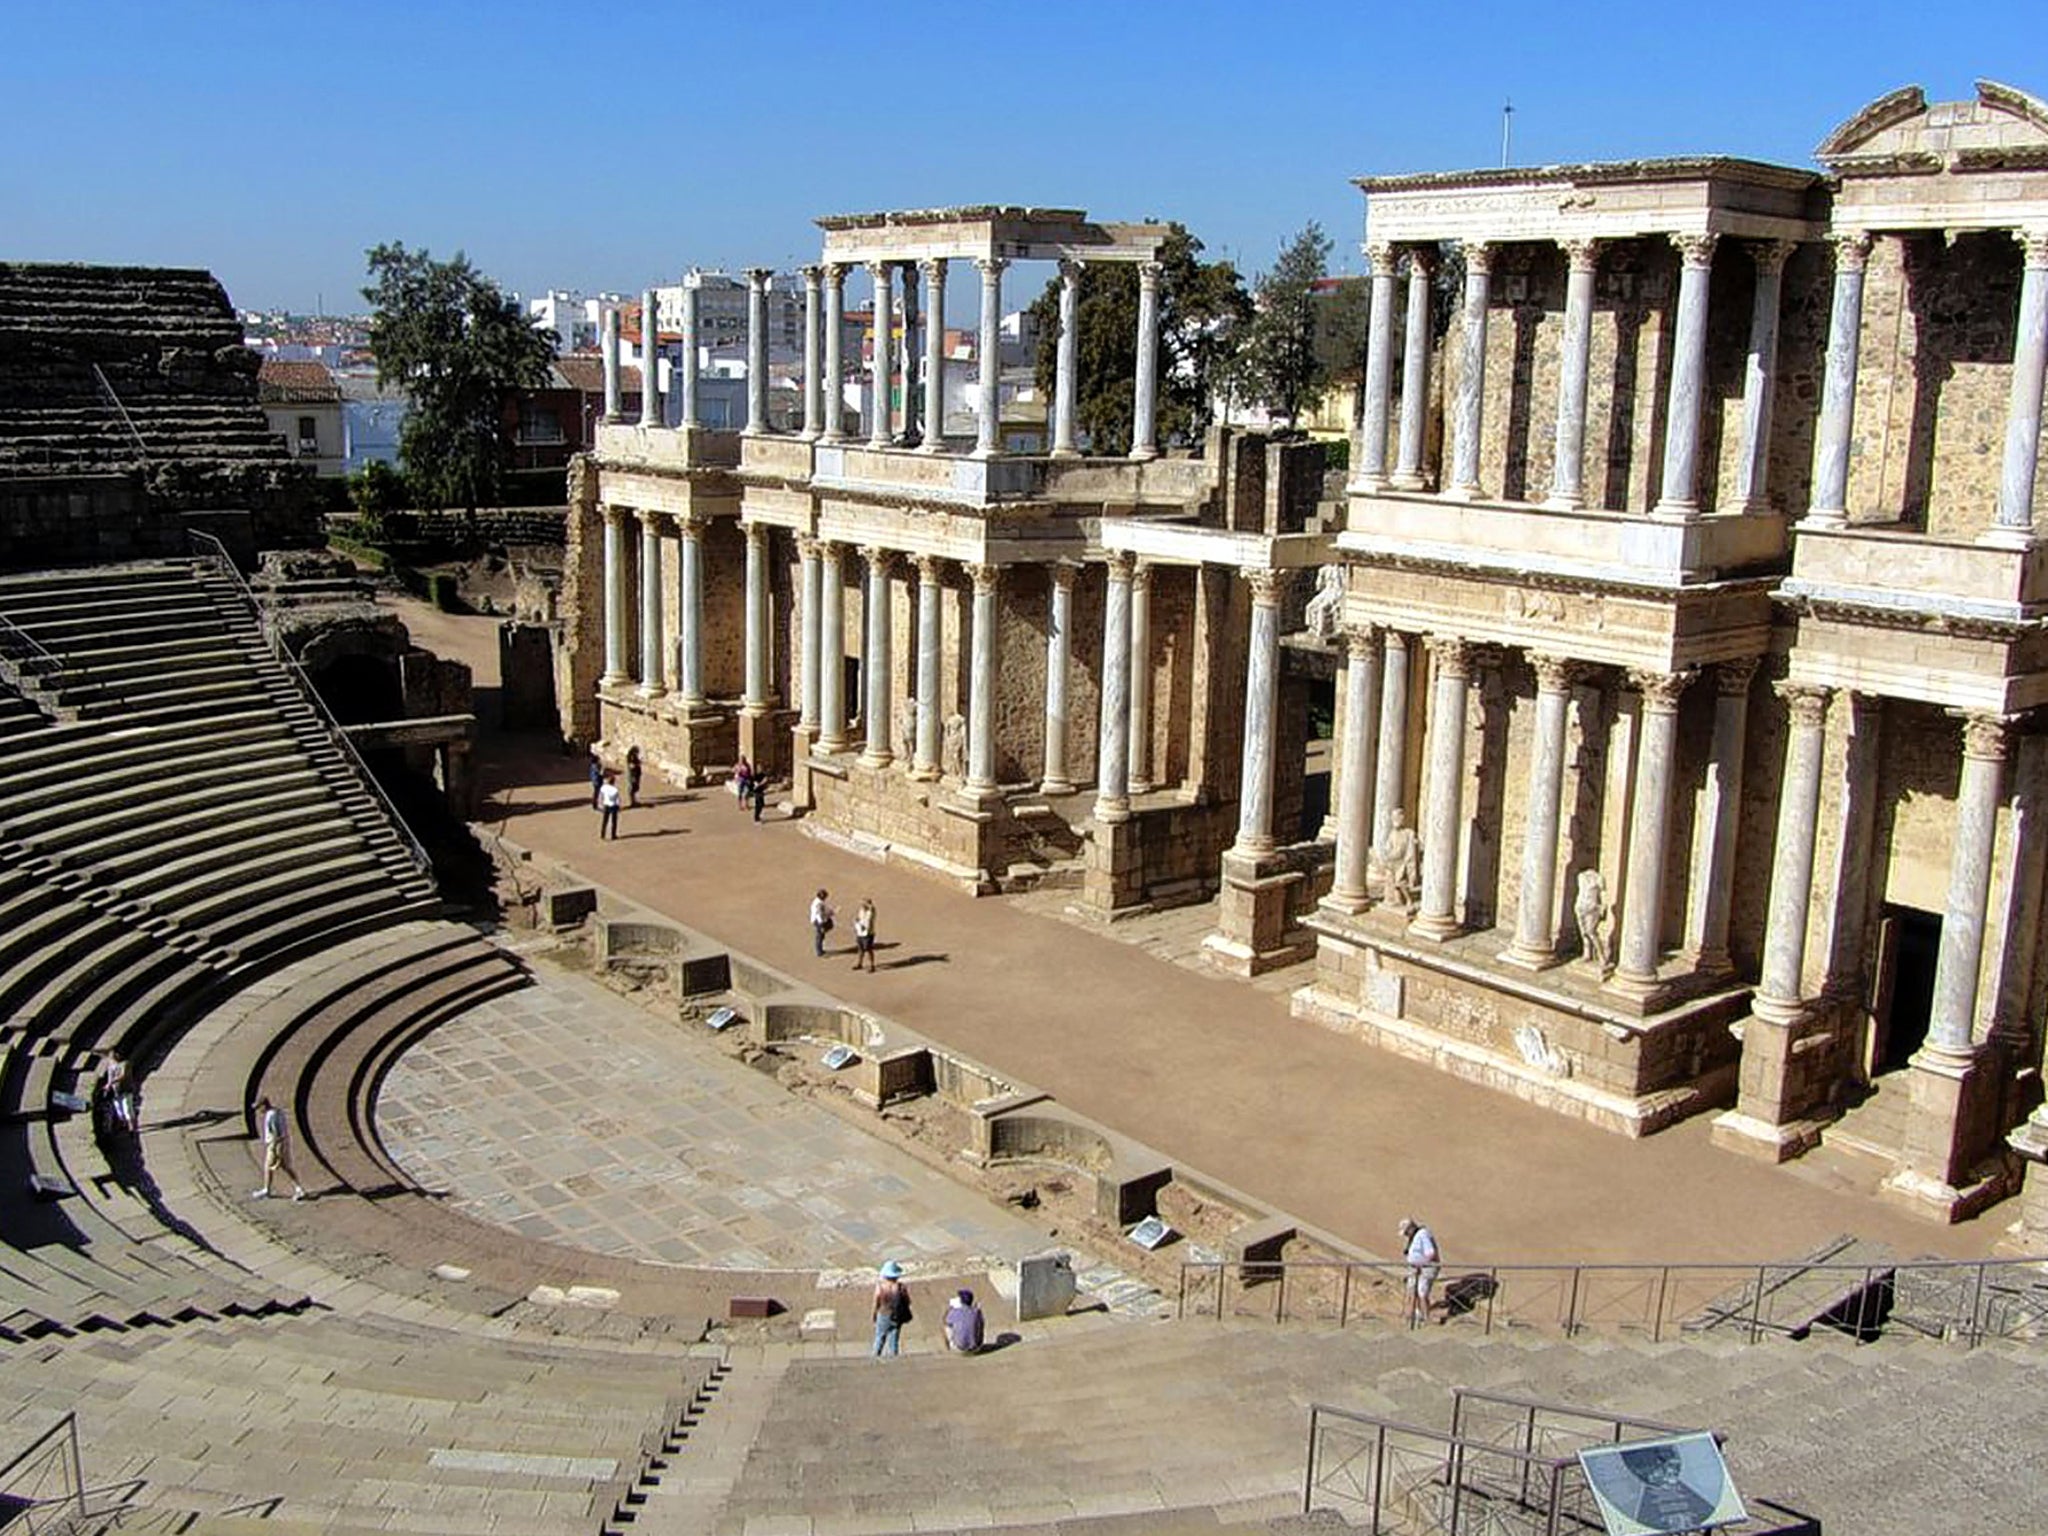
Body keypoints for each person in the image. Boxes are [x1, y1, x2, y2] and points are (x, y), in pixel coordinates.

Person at [251, 1095, 306, 1201]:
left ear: (264, 1106)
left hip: (276, 1144)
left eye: (259, 1108)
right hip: (282, 1142)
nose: (258, 1111)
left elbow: (276, 1134)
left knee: (281, 1166)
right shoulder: (278, 1112)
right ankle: (268, 1189)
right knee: (275, 1166)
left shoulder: (270, 1116)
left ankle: (298, 1189)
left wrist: (276, 1150)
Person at [1399, 1216, 1440, 1327]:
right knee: (1412, 1290)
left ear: (1411, 1228)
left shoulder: (1423, 1234)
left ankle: (1426, 1317)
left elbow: (1430, 1253)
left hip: (1426, 1268)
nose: (1406, 1235)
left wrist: (1421, 1266)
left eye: (1407, 1232)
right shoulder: (1414, 1236)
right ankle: (1413, 1314)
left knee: (1422, 1292)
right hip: (1415, 1268)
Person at [872, 1260, 912, 1357]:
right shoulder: (901, 1287)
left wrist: (874, 1315)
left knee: (879, 1338)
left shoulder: (880, 1287)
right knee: (893, 1341)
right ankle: (894, 1362)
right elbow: (908, 1301)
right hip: (897, 1316)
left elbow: (875, 1303)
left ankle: (874, 1359)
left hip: (883, 1314)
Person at [97, 1052, 135, 1135]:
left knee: (127, 1108)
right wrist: (108, 1086)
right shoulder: (110, 1066)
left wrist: (110, 1083)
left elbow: (123, 1075)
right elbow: (109, 1078)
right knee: (119, 1109)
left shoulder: (124, 1064)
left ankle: (130, 1127)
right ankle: (123, 1124)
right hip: (116, 1091)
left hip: (126, 1090)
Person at [944, 1288, 985, 1354]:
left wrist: (949, 1309)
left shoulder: (954, 1311)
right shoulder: (976, 1311)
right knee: (979, 1322)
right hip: (976, 1347)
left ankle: (949, 1346)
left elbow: (946, 1321)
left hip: (959, 1349)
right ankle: (976, 1342)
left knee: (947, 1326)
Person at [852, 898, 877, 972]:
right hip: (860, 933)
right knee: (860, 950)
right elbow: (859, 918)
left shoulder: (871, 912)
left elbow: (872, 909)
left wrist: (870, 904)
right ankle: (859, 963)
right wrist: (857, 921)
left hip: (868, 934)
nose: (862, 905)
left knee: (869, 950)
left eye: (864, 904)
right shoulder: (861, 911)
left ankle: (872, 965)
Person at [809, 889, 835, 956]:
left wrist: (830, 912)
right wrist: (821, 924)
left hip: (820, 920)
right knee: (820, 935)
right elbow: (819, 914)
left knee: (821, 935)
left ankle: (820, 949)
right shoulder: (818, 904)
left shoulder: (819, 902)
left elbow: (824, 910)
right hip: (818, 921)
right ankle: (819, 951)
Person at [598, 770, 622, 840]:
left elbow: (601, 796)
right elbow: (617, 799)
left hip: (606, 805)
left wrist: (601, 803)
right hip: (613, 806)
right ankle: (613, 835)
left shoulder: (604, 787)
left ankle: (602, 834)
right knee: (614, 821)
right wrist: (619, 806)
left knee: (605, 821)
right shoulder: (615, 790)